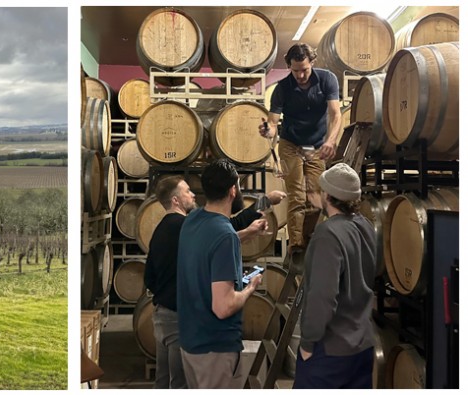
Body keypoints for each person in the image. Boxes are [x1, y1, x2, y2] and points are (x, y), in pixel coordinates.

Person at [145, 176, 285, 388]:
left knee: (164, 382)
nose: (192, 194)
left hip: (161, 317)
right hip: (178, 320)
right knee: (182, 384)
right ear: (175, 200)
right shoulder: (185, 226)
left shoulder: (163, 228)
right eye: (186, 191)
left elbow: (149, 278)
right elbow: (221, 234)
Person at [176, 159, 264, 388]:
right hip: (215, 348)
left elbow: (213, 243)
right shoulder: (224, 236)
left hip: (191, 342)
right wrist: (250, 287)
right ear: (233, 190)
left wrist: (246, 234)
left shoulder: (192, 220)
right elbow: (223, 307)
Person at [294, 163, 376, 389]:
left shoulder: (327, 234)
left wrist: (307, 344)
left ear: (328, 195)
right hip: (362, 344)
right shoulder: (366, 226)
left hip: (330, 352)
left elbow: (322, 297)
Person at [261, 42, 343, 254]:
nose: (300, 75)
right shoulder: (282, 88)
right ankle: (296, 245)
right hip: (290, 144)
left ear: (312, 63)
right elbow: (272, 122)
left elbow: (336, 114)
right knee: (297, 194)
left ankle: (309, 241)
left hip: (316, 144)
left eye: (304, 69)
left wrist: (330, 141)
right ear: (290, 66)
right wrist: (268, 130)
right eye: (295, 70)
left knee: (316, 197)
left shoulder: (327, 80)